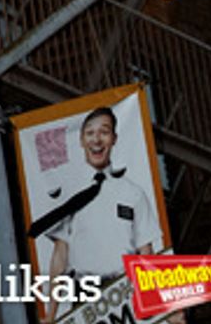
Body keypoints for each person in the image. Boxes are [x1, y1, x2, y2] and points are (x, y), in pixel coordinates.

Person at [35, 106, 159, 321]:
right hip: (85, 295)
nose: (97, 139)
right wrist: (51, 313)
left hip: (126, 290)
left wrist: (160, 303)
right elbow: (60, 255)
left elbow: (146, 252)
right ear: (82, 140)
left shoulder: (133, 193)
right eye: (90, 133)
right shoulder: (69, 194)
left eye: (104, 132)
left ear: (114, 138)